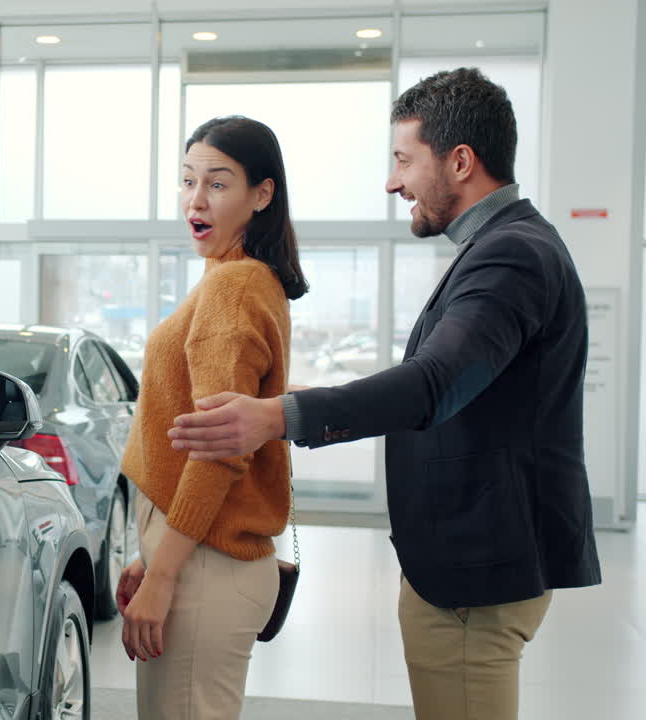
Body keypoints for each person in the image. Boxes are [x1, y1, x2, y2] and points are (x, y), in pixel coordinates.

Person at [167, 68, 601, 720]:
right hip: (469, 565)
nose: (393, 182)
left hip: (474, 573)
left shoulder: (511, 255)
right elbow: (458, 386)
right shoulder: (504, 247)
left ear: (460, 161)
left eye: (403, 160)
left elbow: (433, 386)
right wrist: (282, 401)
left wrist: (281, 416)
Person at [115, 115, 308, 719]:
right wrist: (154, 557)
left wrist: (165, 573)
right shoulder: (235, 277)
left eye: (218, 184)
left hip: (206, 571)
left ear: (262, 194)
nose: (195, 200)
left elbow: (220, 447)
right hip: (201, 557)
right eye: (187, 180)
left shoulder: (234, 287)